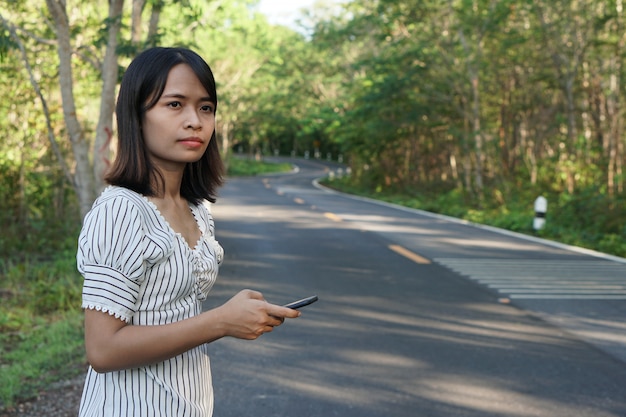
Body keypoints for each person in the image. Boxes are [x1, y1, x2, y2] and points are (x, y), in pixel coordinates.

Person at [76, 46, 300, 417]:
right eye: (175, 104)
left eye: (206, 107)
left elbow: (174, 312)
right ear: (136, 115)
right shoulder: (121, 211)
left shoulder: (196, 210)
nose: (195, 120)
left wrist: (236, 313)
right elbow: (102, 350)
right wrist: (220, 321)